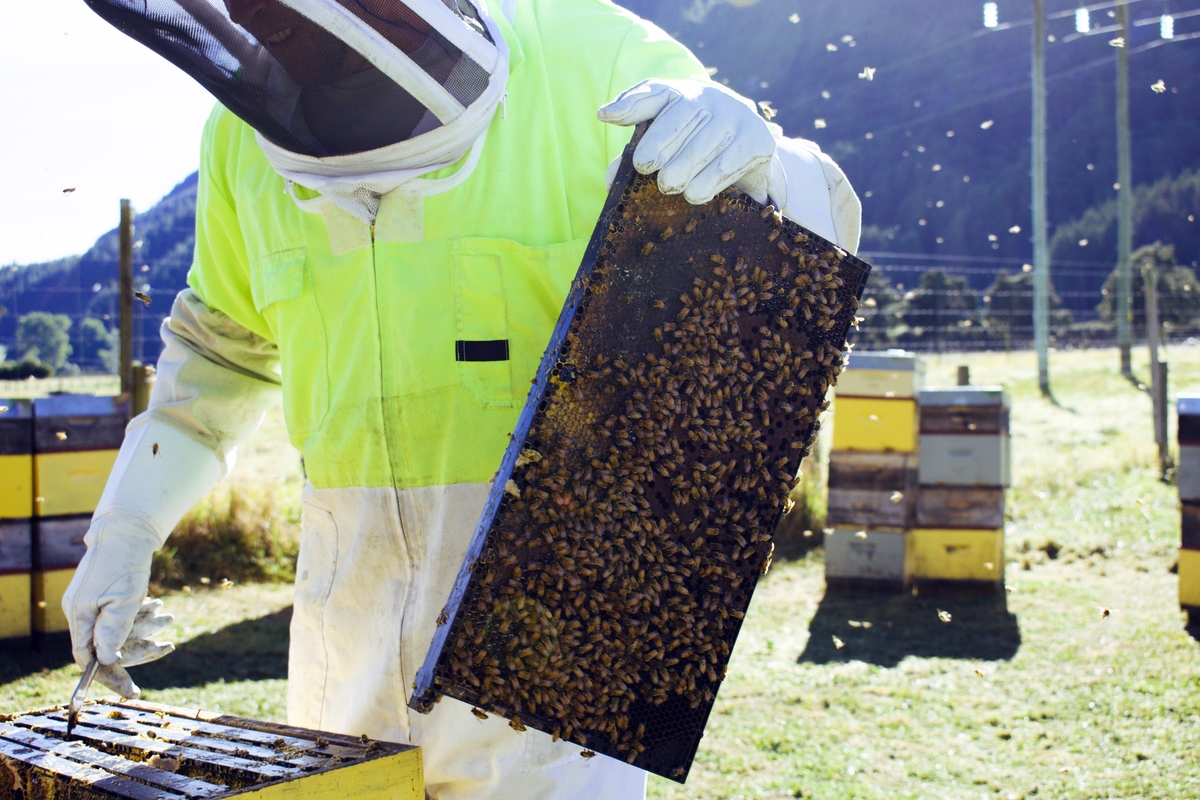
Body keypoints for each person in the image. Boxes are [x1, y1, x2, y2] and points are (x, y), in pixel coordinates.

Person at [63, 0, 861, 796]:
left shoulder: (600, 57)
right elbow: (222, 350)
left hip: (559, 637)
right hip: (346, 630)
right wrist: (126, 530)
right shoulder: (238, 135)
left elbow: (802, 256)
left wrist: (772, 168)